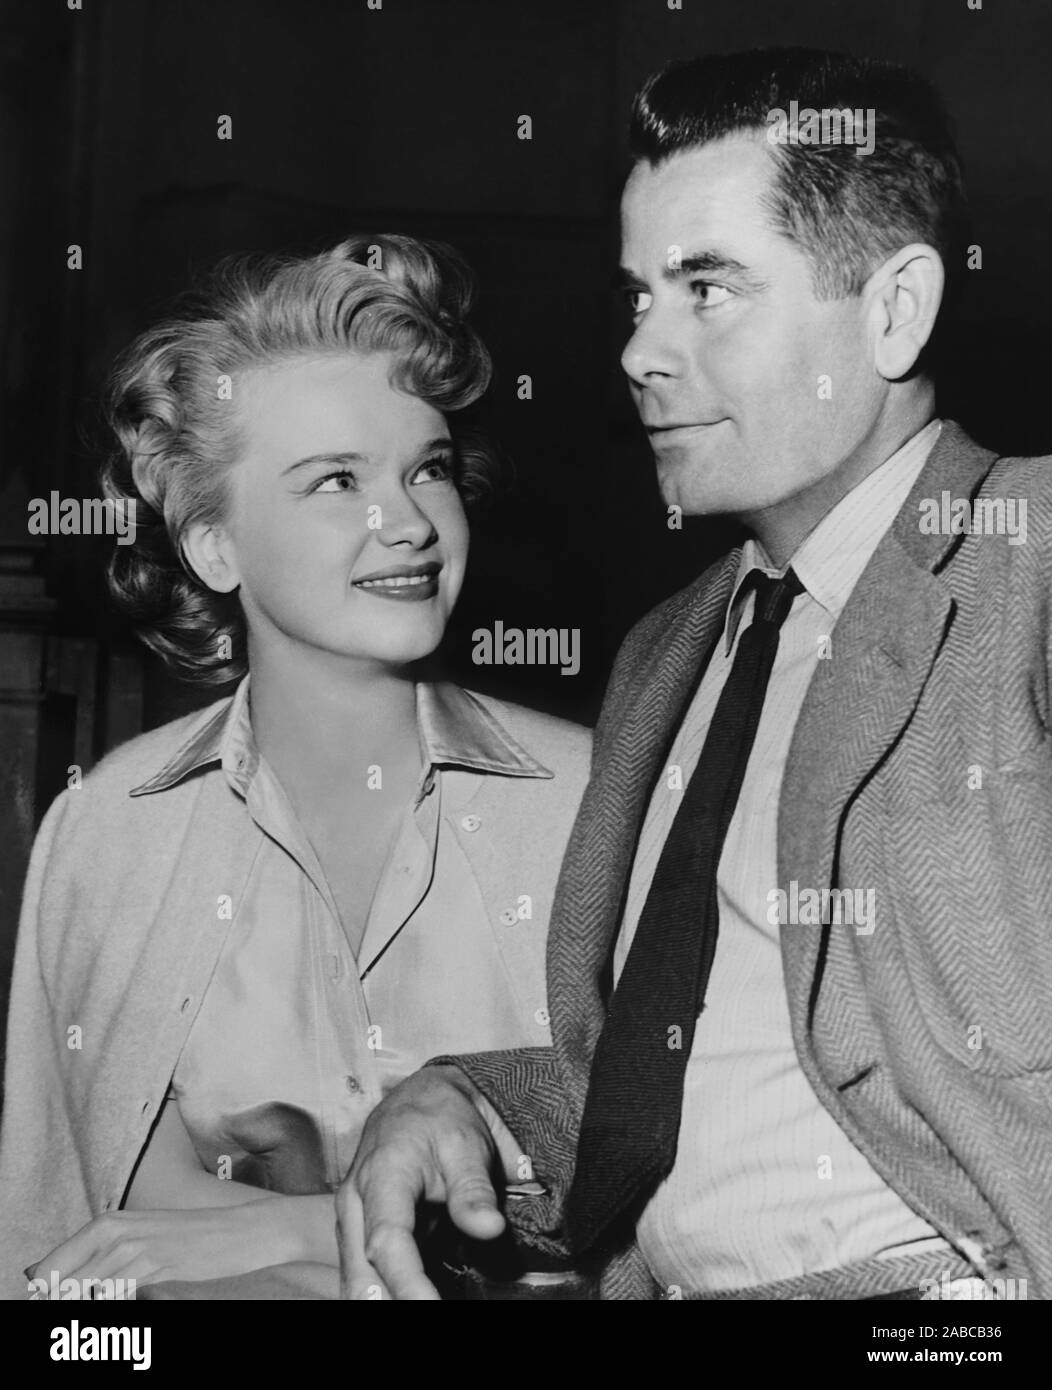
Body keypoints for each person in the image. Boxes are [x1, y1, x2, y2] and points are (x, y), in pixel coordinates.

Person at [337, 48, 1052, 1301]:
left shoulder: (1027, 564)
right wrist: (461, 1101)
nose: (639, 352)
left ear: (892, 310)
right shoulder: (671, 647)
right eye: (635, 298)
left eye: (706, 287)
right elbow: (675, 1083)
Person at [0, 234, 590, 1300]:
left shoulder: (603, 800)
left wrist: (287, 1239)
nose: (406, 521)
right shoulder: (108, 833)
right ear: (213, 546)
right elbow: (84, 1241)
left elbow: (672, 1194)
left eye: (427, 469)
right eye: (335, 480)